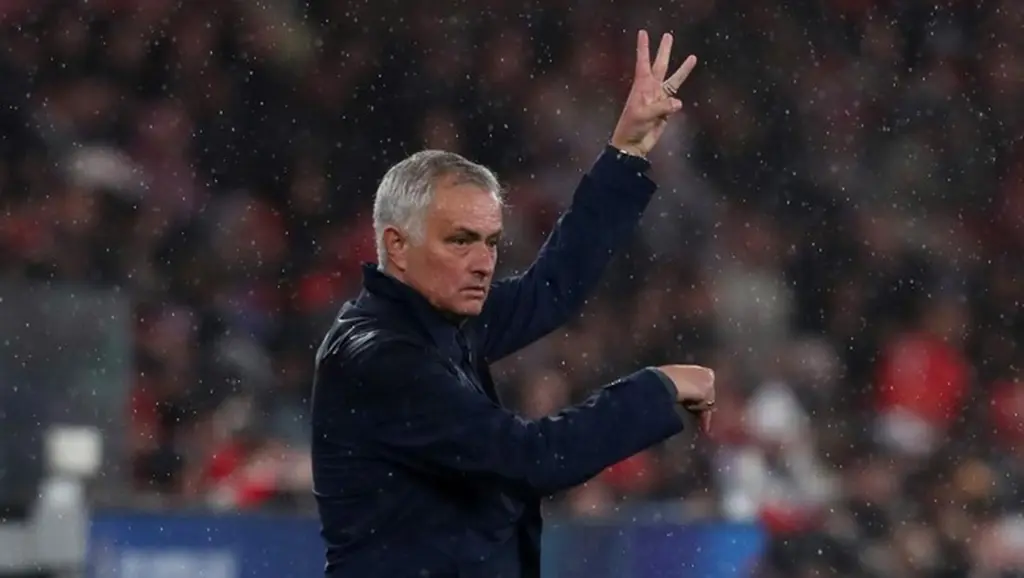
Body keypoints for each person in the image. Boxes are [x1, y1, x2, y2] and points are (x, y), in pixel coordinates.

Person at [310, 30, 716, 578]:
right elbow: (533, 459)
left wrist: (627, 153)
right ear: (396, 246)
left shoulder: (439, 320)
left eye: (491, 242)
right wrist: (657, 387)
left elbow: (551, 290)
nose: (483, 262)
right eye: (460, 240)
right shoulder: (382, 357)